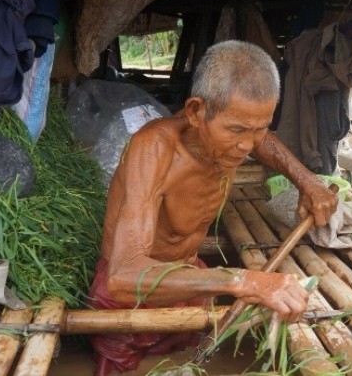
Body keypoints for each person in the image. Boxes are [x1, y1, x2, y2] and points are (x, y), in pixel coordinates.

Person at [88, 40, 338, 375]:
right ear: (195, 112)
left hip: (190, 280)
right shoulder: (155, 149)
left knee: (191, 362)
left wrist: (307, 180)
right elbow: (122, 277)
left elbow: (262, 141)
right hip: (133, 296)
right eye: (236, 130)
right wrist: (242, 281)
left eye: (259, 127)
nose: (246, 146)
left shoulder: (237, 135)